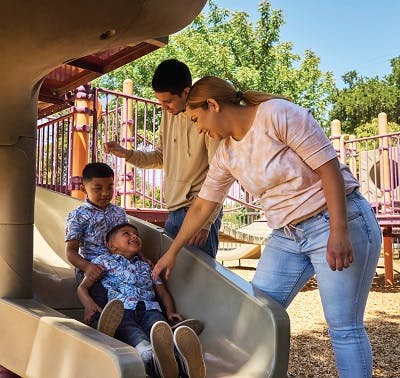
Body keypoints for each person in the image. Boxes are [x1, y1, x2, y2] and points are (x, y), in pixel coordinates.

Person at [152, 76, 382, 378]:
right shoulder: (225, 153)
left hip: (336, 218)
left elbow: (328, 169)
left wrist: (339, 232)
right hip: (287, 235)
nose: (198, 128)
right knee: (255, 316)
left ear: (213, 105)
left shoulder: (277, 114)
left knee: (343, 325)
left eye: (197, 119)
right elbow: (202, 205)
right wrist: (173, 251)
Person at [104, 59, 222, 258]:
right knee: (174, 278)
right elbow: (160, 157)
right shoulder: (169, 114)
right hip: (174, 211)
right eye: (160, 101)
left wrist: (206, 221)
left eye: (167, 101)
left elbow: (220, 173)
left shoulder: (207, 119)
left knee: (199, 282)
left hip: (197, 211)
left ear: (186, 92)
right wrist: (128, 154)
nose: (164, 107)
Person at [77, 223, 206, 378]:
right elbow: (82, 287)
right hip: (121, 313)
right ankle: (158, 366)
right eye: (126, 234)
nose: (134, 236)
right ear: (112, 246)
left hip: (151, 310)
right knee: (141, 343)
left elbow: (162, 292)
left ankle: (186, 363)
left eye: (136, 234)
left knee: (162, 336)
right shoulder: (103, 261)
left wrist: (170, 311)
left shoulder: (147, 266)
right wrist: (88, 304)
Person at [65, 162, 128, 328]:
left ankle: (161, 321)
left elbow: (128, 240)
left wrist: (143, 258)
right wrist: (87, 267)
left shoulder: (119, 213)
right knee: (101, 293)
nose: (105, 193)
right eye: (98, 188)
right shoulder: (78, 216)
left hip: (118, 266)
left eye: (110, 187)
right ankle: (98, 322)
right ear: (85, 189)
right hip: (93, 268)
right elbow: (71, 252)